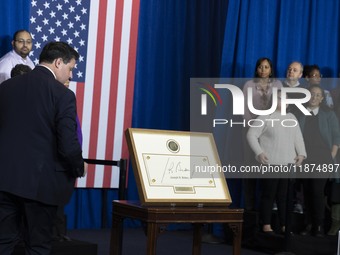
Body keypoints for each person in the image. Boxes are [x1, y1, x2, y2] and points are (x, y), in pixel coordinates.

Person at [0, 41, 87, 254]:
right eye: (71, 68)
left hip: (4, 181)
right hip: (40, 185)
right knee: (38, 246)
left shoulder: (6, 87)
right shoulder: (63, 95)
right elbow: (68, 143)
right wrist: (78, 166)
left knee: (3, 242)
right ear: (58, 62)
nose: (71, 75)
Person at [247, 90, 306, 234]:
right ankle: (266, 225)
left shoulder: (292, 117)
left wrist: (302, 154)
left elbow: (298, 138)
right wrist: (259, 152)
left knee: (284, 197)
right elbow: (251, 135)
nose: (283, 101)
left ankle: (285, 226)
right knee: (269, 195)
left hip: (287, 164)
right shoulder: (265, 116)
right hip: (271, 163)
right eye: (280, 98)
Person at [298, 85, 340, 237]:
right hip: (305, 158)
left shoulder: (328, 114)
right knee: (307, 191)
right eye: (312, 94)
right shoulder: (301, 113)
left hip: (323, 158)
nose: (314, 98)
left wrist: (331, 156)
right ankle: (308, 224)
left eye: (317, 95)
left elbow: (336, 137)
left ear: (322, 98)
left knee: (317, 191)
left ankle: (319, 225)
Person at [242, 57, 282, 211]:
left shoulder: (278, 85)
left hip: (271, 133)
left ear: (271, 69)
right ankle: (250, 210)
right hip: (252, 131)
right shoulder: (249, 85)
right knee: (250, 173)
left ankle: (267, 212)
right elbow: (244, 109)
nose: (263, 70)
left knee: (269, 173)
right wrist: (254, 128)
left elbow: (280, 106)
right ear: (257, 69)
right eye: (260, 67)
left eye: (266, 67)